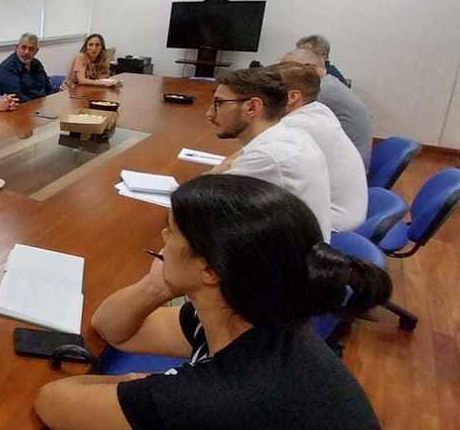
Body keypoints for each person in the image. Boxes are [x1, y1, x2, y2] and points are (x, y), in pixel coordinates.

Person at [34, 174, 390, 430]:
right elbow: (114, 330)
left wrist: (129, 387)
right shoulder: (256, 316)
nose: (162, 236)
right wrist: (156, 286)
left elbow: (52, 400)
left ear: (208, 269)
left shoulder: (218, 397)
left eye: (171, 230)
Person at [205, 67, 332, 239]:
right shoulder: (288, 134)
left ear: (252, 107)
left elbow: (199, 208)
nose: (209, 114)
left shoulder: (269, 157)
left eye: (218, 103)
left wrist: (212, 176)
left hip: (286, 260)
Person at [274, 60, 368, 232]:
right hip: (350, 213)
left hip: (331, 224)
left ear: (292, 97)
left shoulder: (297, 125)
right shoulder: (319, 110)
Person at [286, 48, 372, 168]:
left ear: (311, 69)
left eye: (288, 70)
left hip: (344, 169)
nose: (282, 77)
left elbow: (282, 122)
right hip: (351, 164)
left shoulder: (322, 90)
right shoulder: (330, 83)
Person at [0, 33, 53, 102]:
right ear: (16, 48)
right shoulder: (6, 68)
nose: (26, 52)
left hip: (40, 105)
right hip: (18, 109)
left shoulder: (37, 64)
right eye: (23, 47)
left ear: (36, 51)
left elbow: (48, 88)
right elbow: (17, 98)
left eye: (31, 49)